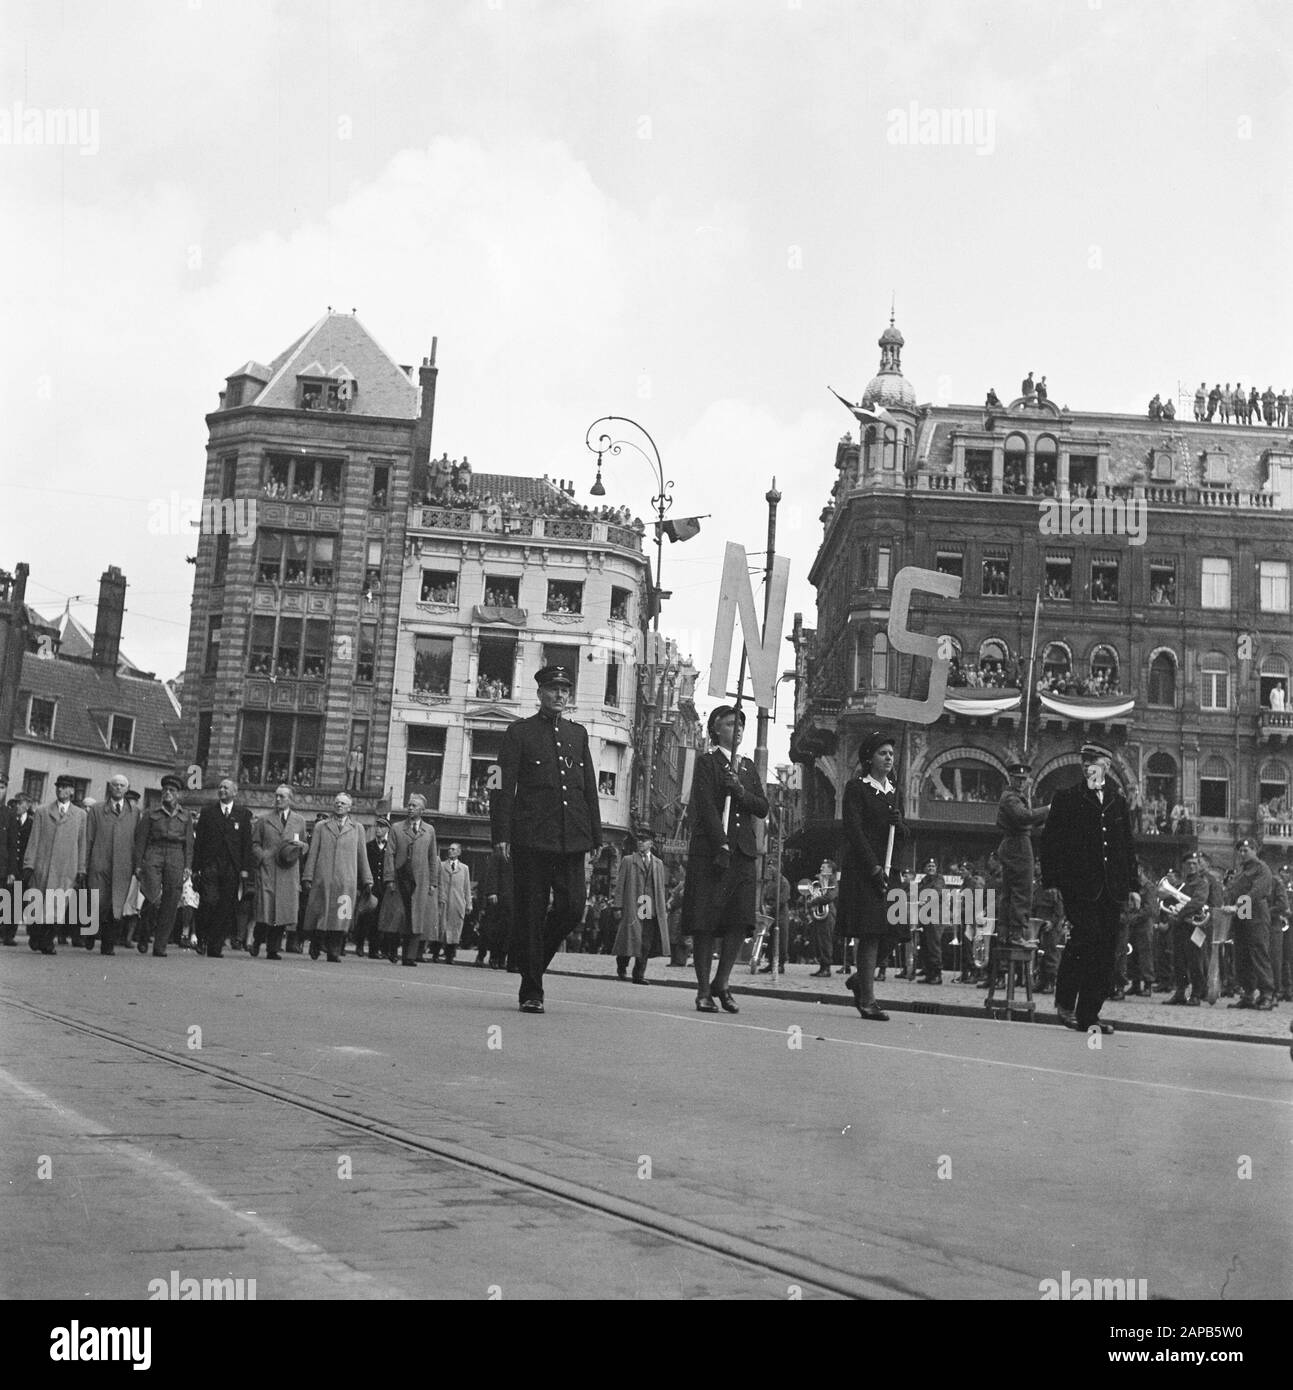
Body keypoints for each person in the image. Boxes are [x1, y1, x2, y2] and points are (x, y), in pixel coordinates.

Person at [491, 665, 601, 1013]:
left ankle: (529, 959)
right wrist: (501, 833)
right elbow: (500, 785)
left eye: (565, 689)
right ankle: (532, 990)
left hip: (572, 837)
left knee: (572, 908)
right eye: (553, 689)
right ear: (539, 693)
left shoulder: (577, 734)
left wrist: (595, 833)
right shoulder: (519, 732)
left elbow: (588, 788)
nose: (559, 695)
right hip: (532, 837)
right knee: (531, 913)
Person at [1038, 742, 1140, 1034]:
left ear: (1106, 766)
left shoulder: (1117, 800)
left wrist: (1132, 886)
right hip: (1079, 888)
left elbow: (1126, 846)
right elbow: (1050, 844)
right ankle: (1066, 1003)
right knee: (1084, 941)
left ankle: (1089, 1015)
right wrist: (1052, 882)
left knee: (1106, 951)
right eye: (1084, 761)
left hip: (1112, 889)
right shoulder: (1067, 798)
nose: (1087, 766)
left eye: (1093, 761)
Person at [678, 706, 768, 1012]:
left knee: (738, 921)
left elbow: (762, 807)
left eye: (741, 724)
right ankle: (703, 989)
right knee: (705, 922)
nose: (738, 728)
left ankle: (723, 982)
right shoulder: (707, 763)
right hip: (713, 854)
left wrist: (739, 790)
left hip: (743, 854)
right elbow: (705, 806)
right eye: (730, 724)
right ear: (717, 730)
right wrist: (722, 844)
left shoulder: (747, 767)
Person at [838, 730, 906, 1021]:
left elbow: (903, 836)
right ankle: (867, 998)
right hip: (866, 870)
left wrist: (899, 823)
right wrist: (873, 867)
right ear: (869, 758)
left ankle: (859, 980)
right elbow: (854, 830)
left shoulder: (894, 791)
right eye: (883, 753)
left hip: (890, 870)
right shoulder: (857, 788)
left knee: (894, 931)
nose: (889, 757)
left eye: (891, 753)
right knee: (870, 934)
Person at [302, 793, 373, 963]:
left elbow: (362, 855)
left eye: (343, 803)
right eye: (337, 803)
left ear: (349, 807)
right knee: (321, 913)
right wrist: (308, 875)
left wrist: (367, 880)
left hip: (346, 881)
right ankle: (316, 943)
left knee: (341, 918)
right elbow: (313, 852)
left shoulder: (358, 828)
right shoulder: (321, 826)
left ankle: (333, 950)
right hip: (323, 878)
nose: (339, 805)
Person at [24, 774, 88, 954]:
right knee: (39, 903)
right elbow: (34, 839)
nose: (61, 790)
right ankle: (35, 935)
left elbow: (82, 843)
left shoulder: (80, 815)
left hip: (66, 867)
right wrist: (29, 864)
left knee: (57, 906)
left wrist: (81, 868)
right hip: (43, 865)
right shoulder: (43, 812)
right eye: (58, 786)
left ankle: (48, 942)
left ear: (72, 791)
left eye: (65, 787)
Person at [192, 777, 254, 958]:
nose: (222, 790)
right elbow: (200, 842)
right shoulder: (208, 812)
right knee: (208, 902)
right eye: (220, 788)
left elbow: (246, 845)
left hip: (231, 868)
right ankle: (202, 937)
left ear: (235, 792)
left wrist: (245, 870)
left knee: (225, 907)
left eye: (226, 788)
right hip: (211, 865)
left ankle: (215, 946)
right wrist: (196, 868)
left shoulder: (243, 814)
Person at [133, 775, 193, 956]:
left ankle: (160, 945)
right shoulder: (151, 814)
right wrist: (138, 864)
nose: (168, 793)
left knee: (171, 900)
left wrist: (187, 866)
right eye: (165, 790)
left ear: (178, 795)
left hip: (176, 855)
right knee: (151, 896)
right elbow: (140, 840)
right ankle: (143, 934)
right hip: (154, 852)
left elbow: (189, 844)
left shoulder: (186, 816)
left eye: (172, 791)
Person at [250, 784, 308, 960]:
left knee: (282, 912)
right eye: (276, 796)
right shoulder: (263, 820)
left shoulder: (300, 821)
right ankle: (257, 939)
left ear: (290, 799)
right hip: (268, 870)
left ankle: (273, 949)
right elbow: (254, 844)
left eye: (282, 797)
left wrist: (302, 847)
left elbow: (305, 843)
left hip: (288, 871)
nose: (278, 799)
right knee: (265, 910)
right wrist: (263, 856)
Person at [84, 774, 139, 956]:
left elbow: (137, 841)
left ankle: (107, 944)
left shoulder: (134, 812)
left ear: (127, 788)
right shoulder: (97, 810)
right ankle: (91, 933)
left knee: (115, 906)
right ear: (109, 787)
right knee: (97, 902)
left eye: (122, 785)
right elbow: (89, 838)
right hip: (99, 863)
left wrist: (136, 865)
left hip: (122, 866)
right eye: (115, 785)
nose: (118, 788)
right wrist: (85, 864)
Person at [1218, 839, 1277, 1009]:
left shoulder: (1261, 868)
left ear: (1255, 850)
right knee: (1242, 956)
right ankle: (1248, 994)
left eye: (1246, 850)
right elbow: (1233, 890)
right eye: (1240, 851)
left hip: (1256, 914)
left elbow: (1257, 892)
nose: (1242, 854)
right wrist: (1227, 903)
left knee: (1258, 953)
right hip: (1241, 916)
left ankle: (1267, 995)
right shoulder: (1241, 871)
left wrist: (1236, 906)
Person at [382, 794, 438, 966]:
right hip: (400, 878)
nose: (410, 808)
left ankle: (410, 956)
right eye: (409, 805)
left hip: (420, 881)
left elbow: (432, 857)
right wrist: (390, 878)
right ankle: (391, 950)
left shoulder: (429, 830)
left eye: (414, 805)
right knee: (398, 915)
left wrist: (433, 882)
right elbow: (389, 853)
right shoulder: (397, 828)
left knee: (416, 917)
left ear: (422, 810)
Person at [996, 761, 1047, 949]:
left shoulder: (1013, 797)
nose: (1020, 783)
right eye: (1018, 779)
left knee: (1009, 891)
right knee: (1022, 889)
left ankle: (1005, 934)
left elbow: (1026, 819)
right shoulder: (1011, 798)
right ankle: (1016, 934)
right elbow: (1024, 817)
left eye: (1023, 780)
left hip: (1014, 842)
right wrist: (1048, 810)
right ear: (1011, 778)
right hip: (1018, 844)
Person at [612, 825, 669, 984]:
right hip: (633, 905)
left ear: (651, 843)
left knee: (645, 943)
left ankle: (639, 974)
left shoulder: (658, 864)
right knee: (629, 939)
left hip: (650, 908)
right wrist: (618, 906)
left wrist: (662, 909)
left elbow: (660, 889)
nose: (640, 843)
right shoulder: (628, 860)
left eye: (644, 840)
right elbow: (620, 885)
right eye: (639, 840)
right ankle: (622, 965)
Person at [1163, 851, 1218, 1005]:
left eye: (1195, 863)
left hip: (1196, 926)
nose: (1192, 866)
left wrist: (1179, 914)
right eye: (1189, 864)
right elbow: (1172, 900)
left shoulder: (1202, 882)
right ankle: (1180, 992)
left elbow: (1197, 902)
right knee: (1179, 960)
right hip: (1181, 927)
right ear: (1184, 866)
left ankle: (1196, 994)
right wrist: (1172, 911)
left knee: (1196, 961)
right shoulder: (1181, 884)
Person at [354, 817, 391, 959]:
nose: (378, 830)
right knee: (365, 918)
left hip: (383, 889)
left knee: (378, 920)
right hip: (370, 887)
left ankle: (374, 949)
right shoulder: (368, 846)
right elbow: (362, 866)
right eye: (377, 827)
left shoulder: (389, 848)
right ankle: (359, 944)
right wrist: (362, 884)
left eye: (382, 827)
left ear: (387, 830)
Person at [3, 792, 34, 946]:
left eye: (20, 804)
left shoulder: (32, 822)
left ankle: (10, 934)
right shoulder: (10, 818)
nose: (17, 807)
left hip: (23, 868)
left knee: (17, 902)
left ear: (27, 805)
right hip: (10, 865)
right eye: (15, 804)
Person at [475, 844, 511, 968]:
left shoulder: (513, 858)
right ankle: (490, 956)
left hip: (509, 901)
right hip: (495, 902)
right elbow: (486, 881)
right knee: (491, 931)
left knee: (507, 931)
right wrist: (491, 893)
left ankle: (502, 958)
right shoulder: (495, 859)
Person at [433, 842, 470, 963]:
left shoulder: (464, 869)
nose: (450, 851)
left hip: (457, 903)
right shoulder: (441, 866)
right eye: (449, 849)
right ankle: (435, 954)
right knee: (440, 928)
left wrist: (468, 903)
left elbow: (467, 887)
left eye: (453, 849)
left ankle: (450, 956)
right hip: (443, 901)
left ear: (459, 852)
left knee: (454, 929)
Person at [806, 859, 839, 978]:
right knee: (819, 941)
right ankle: (822, 966)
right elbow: (815, 893)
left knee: (825, 941)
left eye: (824, 867)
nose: (821, 869)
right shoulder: (820, 882)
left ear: (830, 870)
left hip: (828, 914)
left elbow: (830, 896)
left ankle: (826, 968)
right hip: (819, 914)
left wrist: (814, 901)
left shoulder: (833, 881)